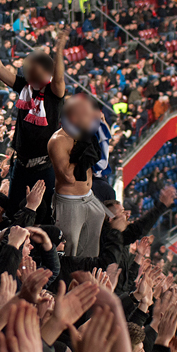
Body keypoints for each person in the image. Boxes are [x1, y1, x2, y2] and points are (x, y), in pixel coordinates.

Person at [0, 19, 69, 218]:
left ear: (47, 72)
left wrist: (59, 52)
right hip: (21, 164)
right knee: (13, 212)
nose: (30, 71)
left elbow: (60, 78)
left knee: (43, 214)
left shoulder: (54, 92)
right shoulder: (24, 86)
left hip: (45, 166)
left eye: (35, 68)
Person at [48, 95, 108, 257]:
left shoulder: (85, 134)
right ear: (74, 118)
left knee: (90, 253)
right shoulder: (58, 140)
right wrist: (82, 147)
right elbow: (69, 177)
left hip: (89, 197)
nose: (92, 118)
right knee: (69, 251)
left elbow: (99, 161)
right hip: (70, 203)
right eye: (87, 114)